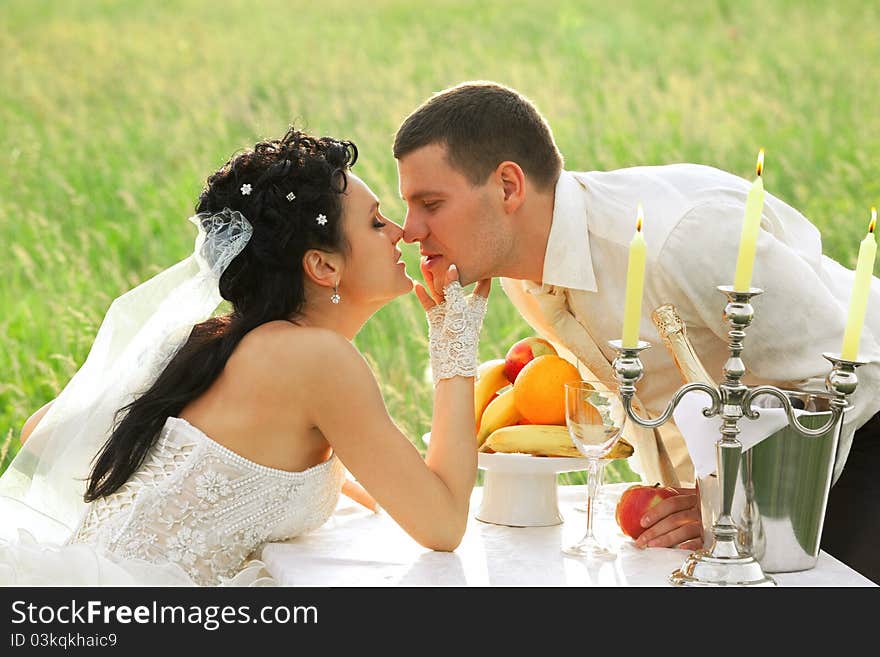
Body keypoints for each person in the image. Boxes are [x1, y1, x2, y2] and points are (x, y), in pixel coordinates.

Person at [393, 81, 880, 581]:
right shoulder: (519, 270)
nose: (410, 229)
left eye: (430, 204)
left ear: (508, 187)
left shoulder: (682, 239)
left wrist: (736, 503)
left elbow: (854, 371)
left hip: (857, 431)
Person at [0, 127, 490, 586]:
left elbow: (40, 433)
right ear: (322, 265)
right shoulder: (317, 358)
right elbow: (443, 525)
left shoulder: (211, 340)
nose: (400, 233)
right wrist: (455, 347)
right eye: (375, 221)